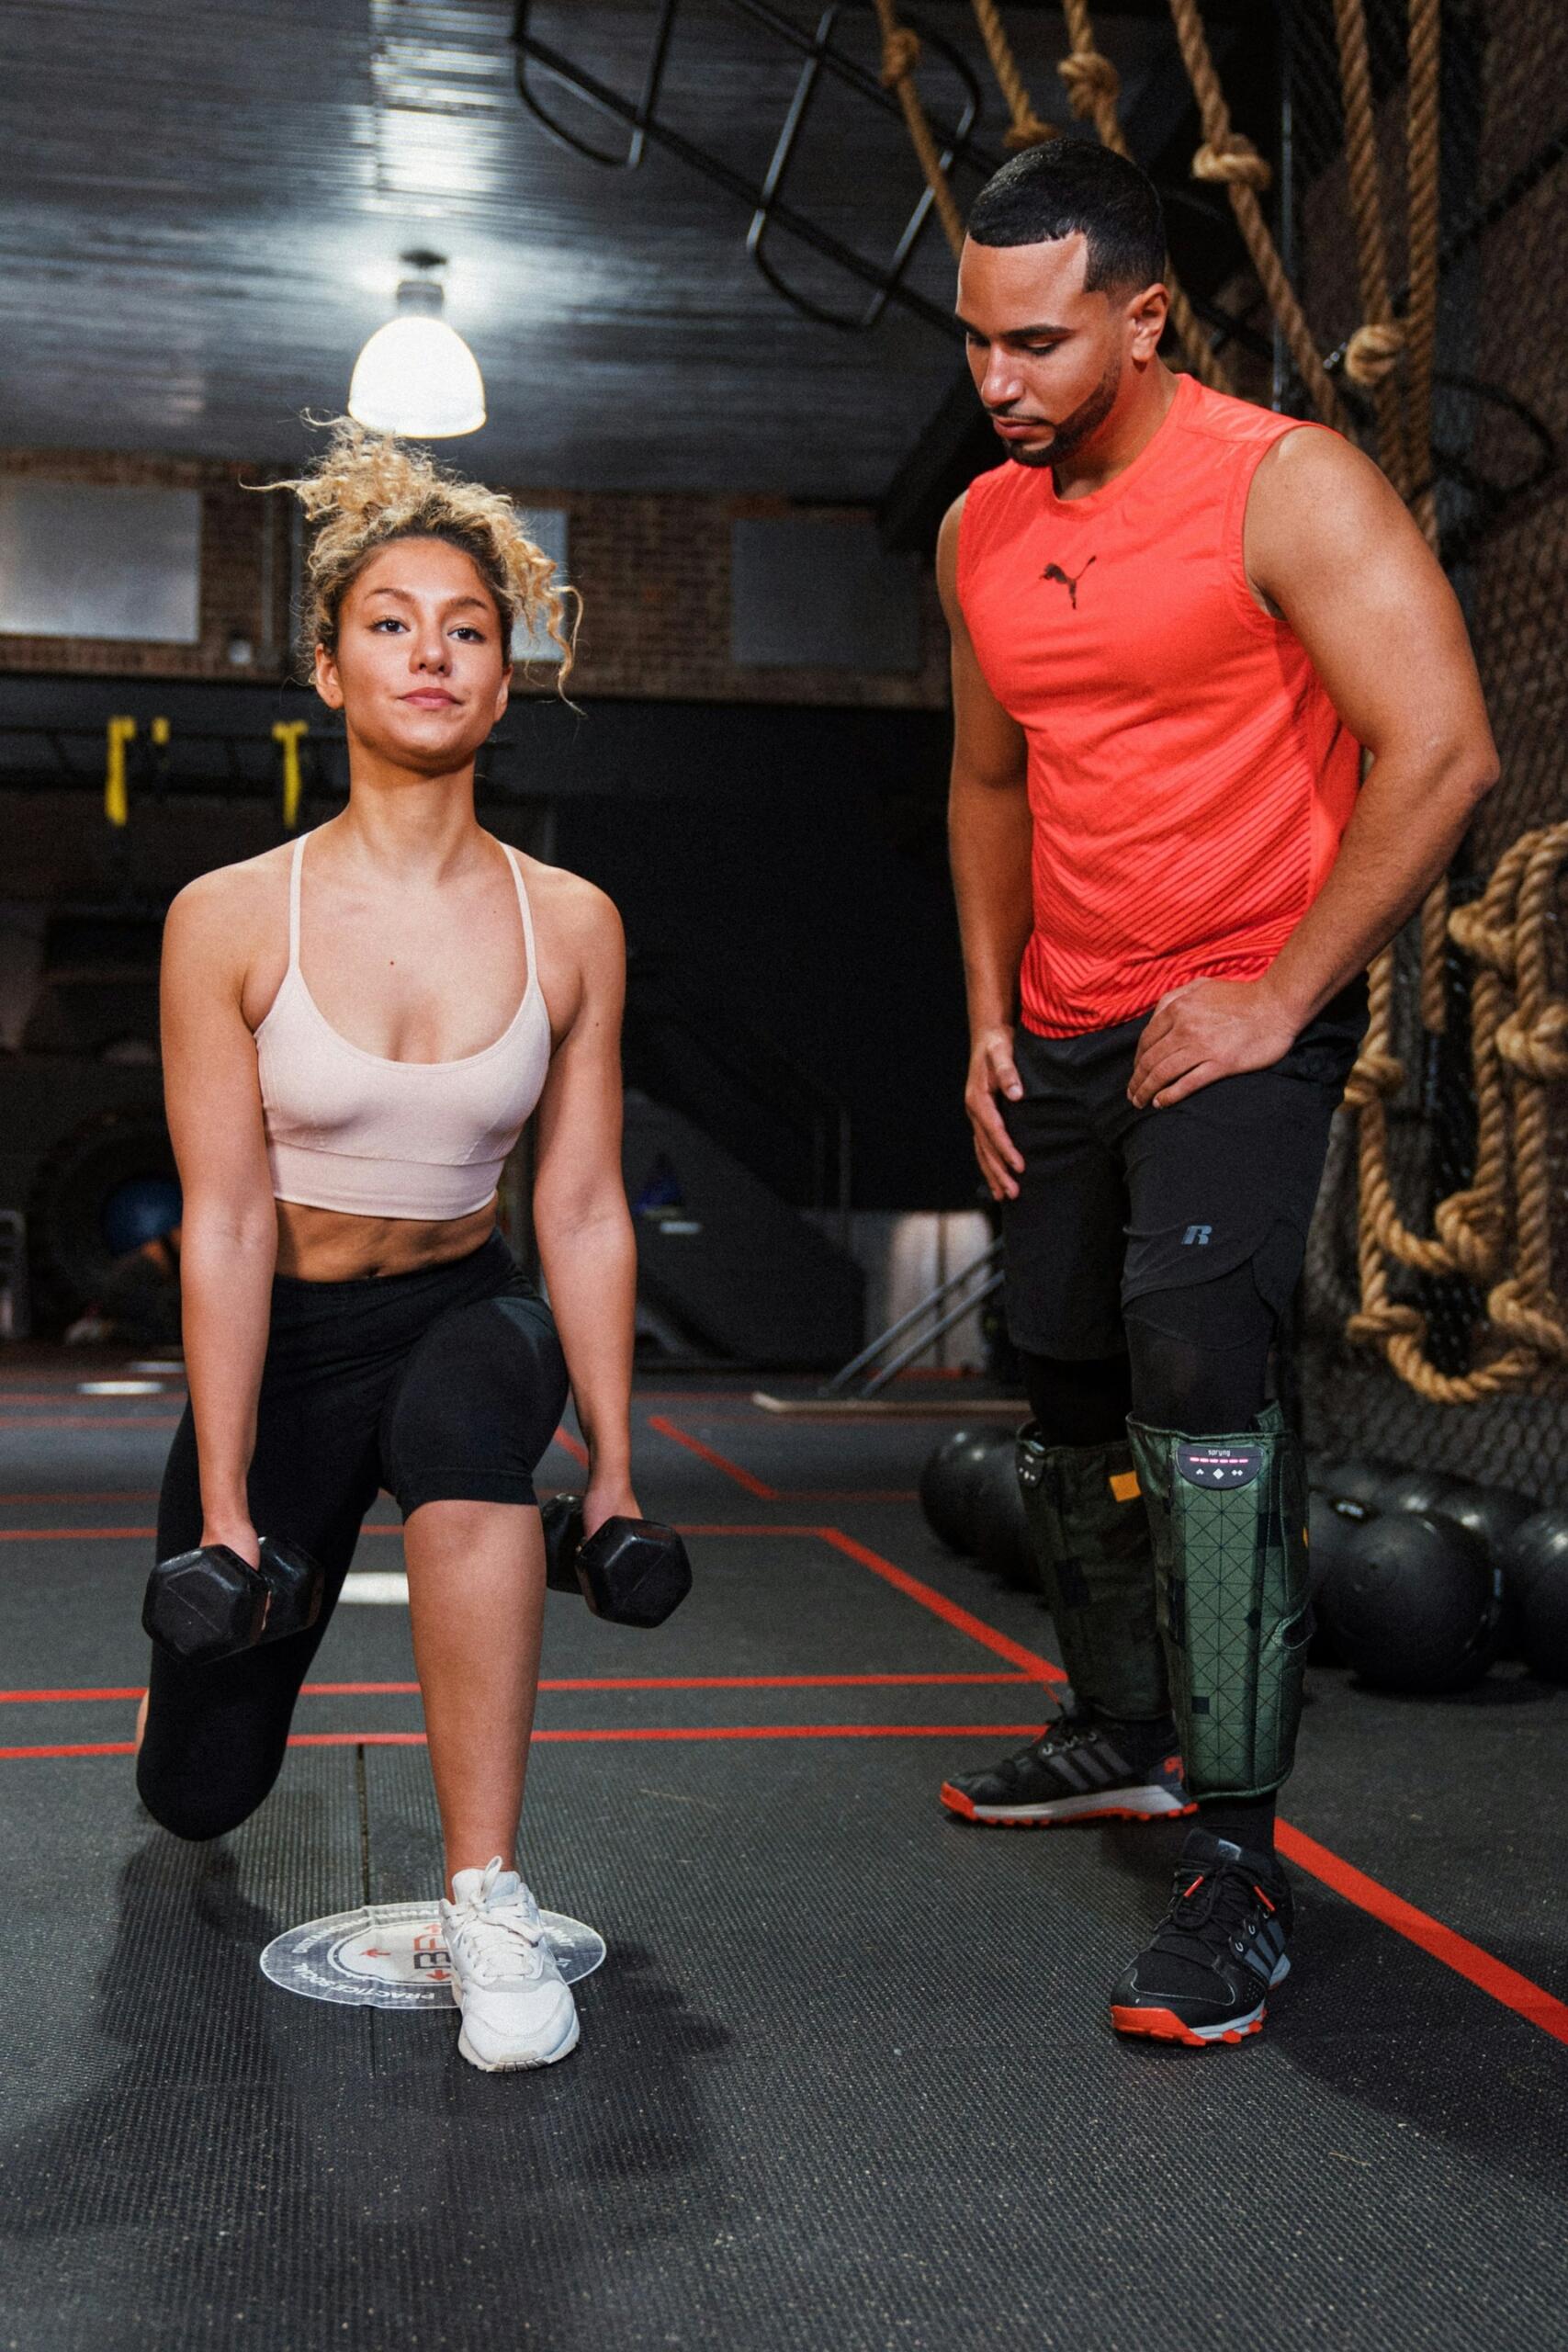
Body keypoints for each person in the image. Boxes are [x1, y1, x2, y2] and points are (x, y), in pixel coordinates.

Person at [934, 141, 1497, 2045]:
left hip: (1241, 1008)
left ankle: (1236, 1856)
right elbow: (988, 784)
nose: (992, 382)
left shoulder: (1284, 483)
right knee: (1057, 1366)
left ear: (1142, 312)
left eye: (1032, 342)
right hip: (1067, 1020)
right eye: (970, 340)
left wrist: (1275, 996)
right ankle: (1112, 1724)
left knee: (1194, 1358)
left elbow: (1439, 747)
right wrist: (982, 1010)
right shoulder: (979, 530)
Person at [136, 424, 637, 2073]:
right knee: (195, 1795)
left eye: (470, 629)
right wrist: (223, 1508)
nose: (433, 651)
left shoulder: (570, 923)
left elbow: (578, 1205)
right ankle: (199, 1692)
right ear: (330, 670)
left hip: (462, 1306)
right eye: (392, 622)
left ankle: (486, 1892)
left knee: (465, 1434)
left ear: (505, 682)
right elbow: (217, 1216)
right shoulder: (227, 915)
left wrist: (617, 1473)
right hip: (282, 1334)